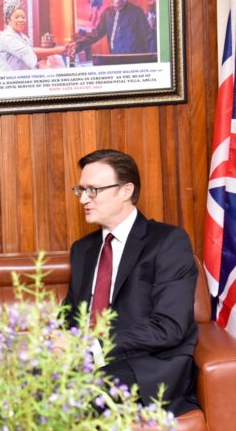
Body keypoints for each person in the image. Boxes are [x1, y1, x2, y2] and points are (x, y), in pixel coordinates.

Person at [56, 149, 198, 416]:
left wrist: (92, 347)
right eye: (81, 190)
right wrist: (56, 339)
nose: (84, 199)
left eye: (93, 190)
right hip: (84, 361)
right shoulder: (83, 249)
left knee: (82, 397)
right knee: (23, 388)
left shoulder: (168, 242)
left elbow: (169, 325)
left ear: (125, 190)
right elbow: (72, 311)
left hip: (144, 364)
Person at [75, 0, 156, 55]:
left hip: (136, 62)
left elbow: (149, 37)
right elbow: (95, 34)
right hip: (116, 61)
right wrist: (77, 45)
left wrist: (152, 60)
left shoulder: (137, 11)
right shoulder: (107, 14)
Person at [0, 0, 72, 71]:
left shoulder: (23, 37)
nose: (21, 20)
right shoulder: (7, 37)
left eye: (23, 17)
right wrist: (58, 50)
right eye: (17, 17)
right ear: (8, 20)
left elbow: (32, 58)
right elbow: (27, 52)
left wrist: (50, 49)